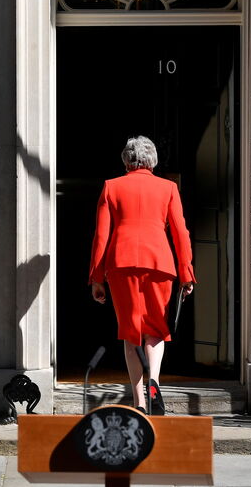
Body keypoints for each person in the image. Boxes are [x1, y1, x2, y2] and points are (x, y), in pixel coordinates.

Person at [88, 135, 197, 415]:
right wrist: (186, 273)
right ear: (153, 160)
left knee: (131, 333)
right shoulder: (168, 188)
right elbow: (180, 233)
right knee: (156, 329)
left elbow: (101, 236)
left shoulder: (112, 187)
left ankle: (138, 401)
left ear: (126, 159)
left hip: (121, 264)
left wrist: (96, 278)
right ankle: (154, 381)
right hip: (159, 263)